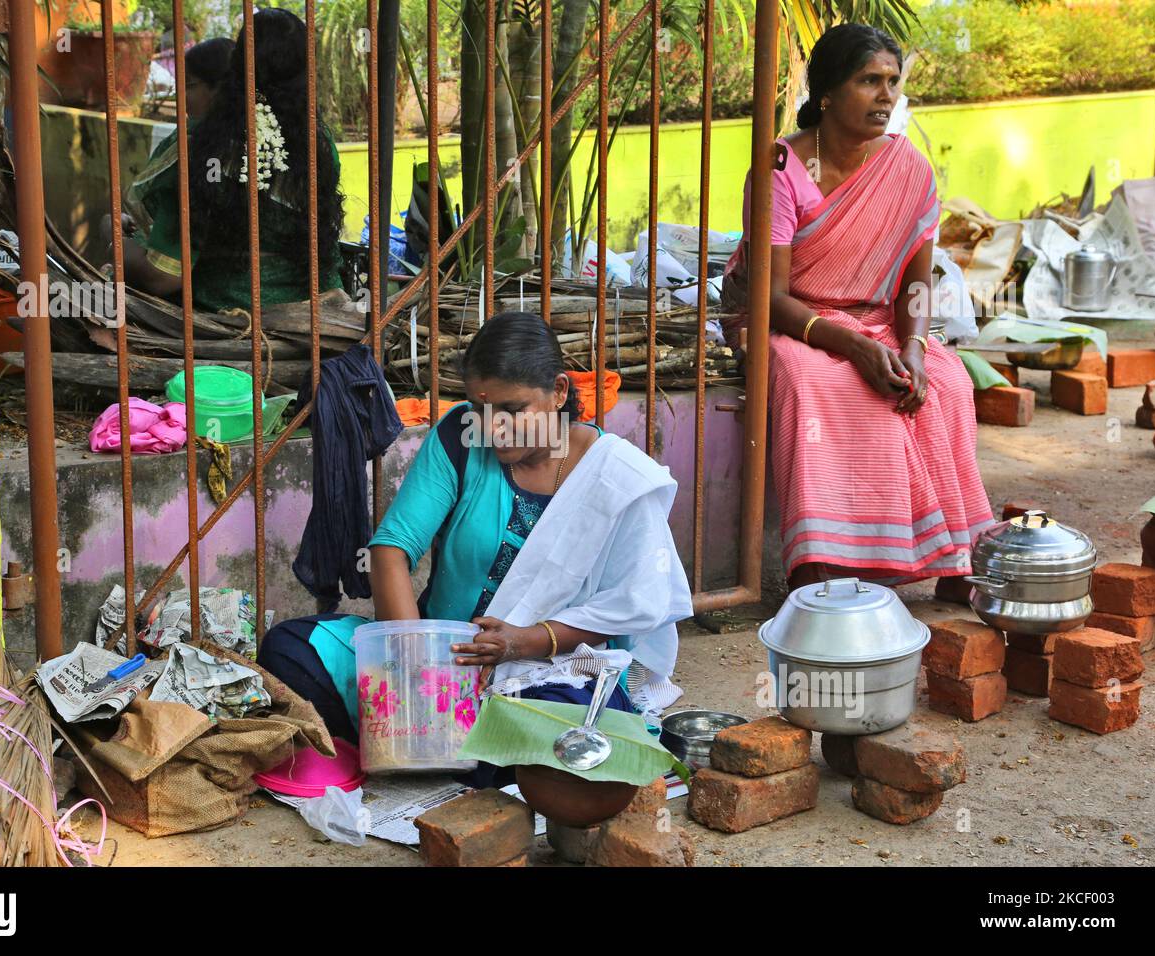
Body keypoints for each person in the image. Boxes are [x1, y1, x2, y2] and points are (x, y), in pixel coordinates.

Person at [260, 312, 694, 752]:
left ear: (559, 392)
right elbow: (391, 549)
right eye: (481, 410)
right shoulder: (459, 438)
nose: (493, 428)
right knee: (289, 651)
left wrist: (524, 643)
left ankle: (459, 747)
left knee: (560, 722)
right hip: (436, 660)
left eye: (512, 409)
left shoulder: (615, 476)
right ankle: (460, 746)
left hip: (548, 668)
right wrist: (415, 668)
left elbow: (634, 603)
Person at [721, 24, 993, 598]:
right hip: (787, 318)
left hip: (875, 319)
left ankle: (951, 557)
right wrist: (855, 346)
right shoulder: (780, 168)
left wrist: (912, 350)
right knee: (813, 379)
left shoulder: (910, 171)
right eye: (869, 80)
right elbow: (769, 296)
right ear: (826, 93)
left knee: (945, 382)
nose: (886, 95)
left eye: (892, 81)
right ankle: (827, 567)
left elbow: (915, 289)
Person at [120, 9, 345, 312]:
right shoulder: (321, 144)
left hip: (221, 321)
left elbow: (163, 277)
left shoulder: (200, 143)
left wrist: (113, 242)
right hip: (310, 318)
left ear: (236, 66)